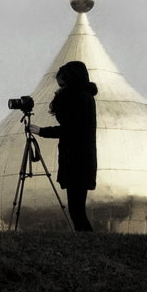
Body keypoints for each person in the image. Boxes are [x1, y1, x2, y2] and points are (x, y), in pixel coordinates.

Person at [28, 60, 98, 231]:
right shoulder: (84, 97)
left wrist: (41, 131)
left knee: (76, 210)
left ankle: (88, 243)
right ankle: (86, 242)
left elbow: (71, 129)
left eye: (63, 83)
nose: (60, 87)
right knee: (76, 209)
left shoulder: (80, 98)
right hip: (79, 159)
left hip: (77, 160)